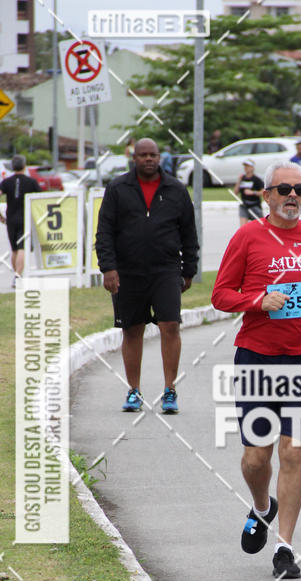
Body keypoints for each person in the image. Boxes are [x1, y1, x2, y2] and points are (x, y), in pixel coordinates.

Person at [211, 161, 301, 579]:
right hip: (256, 356)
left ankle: (284, 548)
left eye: (300, 190)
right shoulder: (247, 236)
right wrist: (258, 301)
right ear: (266, 195)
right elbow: (220, 294)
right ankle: (261, 506)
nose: (292, 196)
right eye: (283, 189)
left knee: (293, 450)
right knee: (256, 458)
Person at [96, 138, 199, 414]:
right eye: (143, 155)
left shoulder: (176, 189)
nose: (149, 159)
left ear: (159, 157)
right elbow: (104, 231)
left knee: (170, 325)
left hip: (166, 269)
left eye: (153, 154)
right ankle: (133, 391)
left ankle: (170, 390)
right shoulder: (118, 188)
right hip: (128, 272)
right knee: (132, 329)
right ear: (134, 158)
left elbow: (189, 233)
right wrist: (108, 268)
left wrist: (189, 269)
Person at [0, 155, 41, 287]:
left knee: (14, 249)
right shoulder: (31, 182)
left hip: (10, 219)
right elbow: (41, 198)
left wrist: (0, 216)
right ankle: (18, 275)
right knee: (22, 247)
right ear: (24, 166)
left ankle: (17, 275)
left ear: (12, 167)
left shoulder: (6, 182)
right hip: (25, 218)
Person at [234, 160, 264, 226]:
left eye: (248, 166)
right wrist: (238, 181)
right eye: (245, 166)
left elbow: (263, 192)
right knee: (243, 227)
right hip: (244, 205)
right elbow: (235, 193)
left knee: (258, 227)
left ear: (252, 168)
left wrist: (253, 192)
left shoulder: (257, 179)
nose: (246, 168)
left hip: (255, 206)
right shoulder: (242, 178)